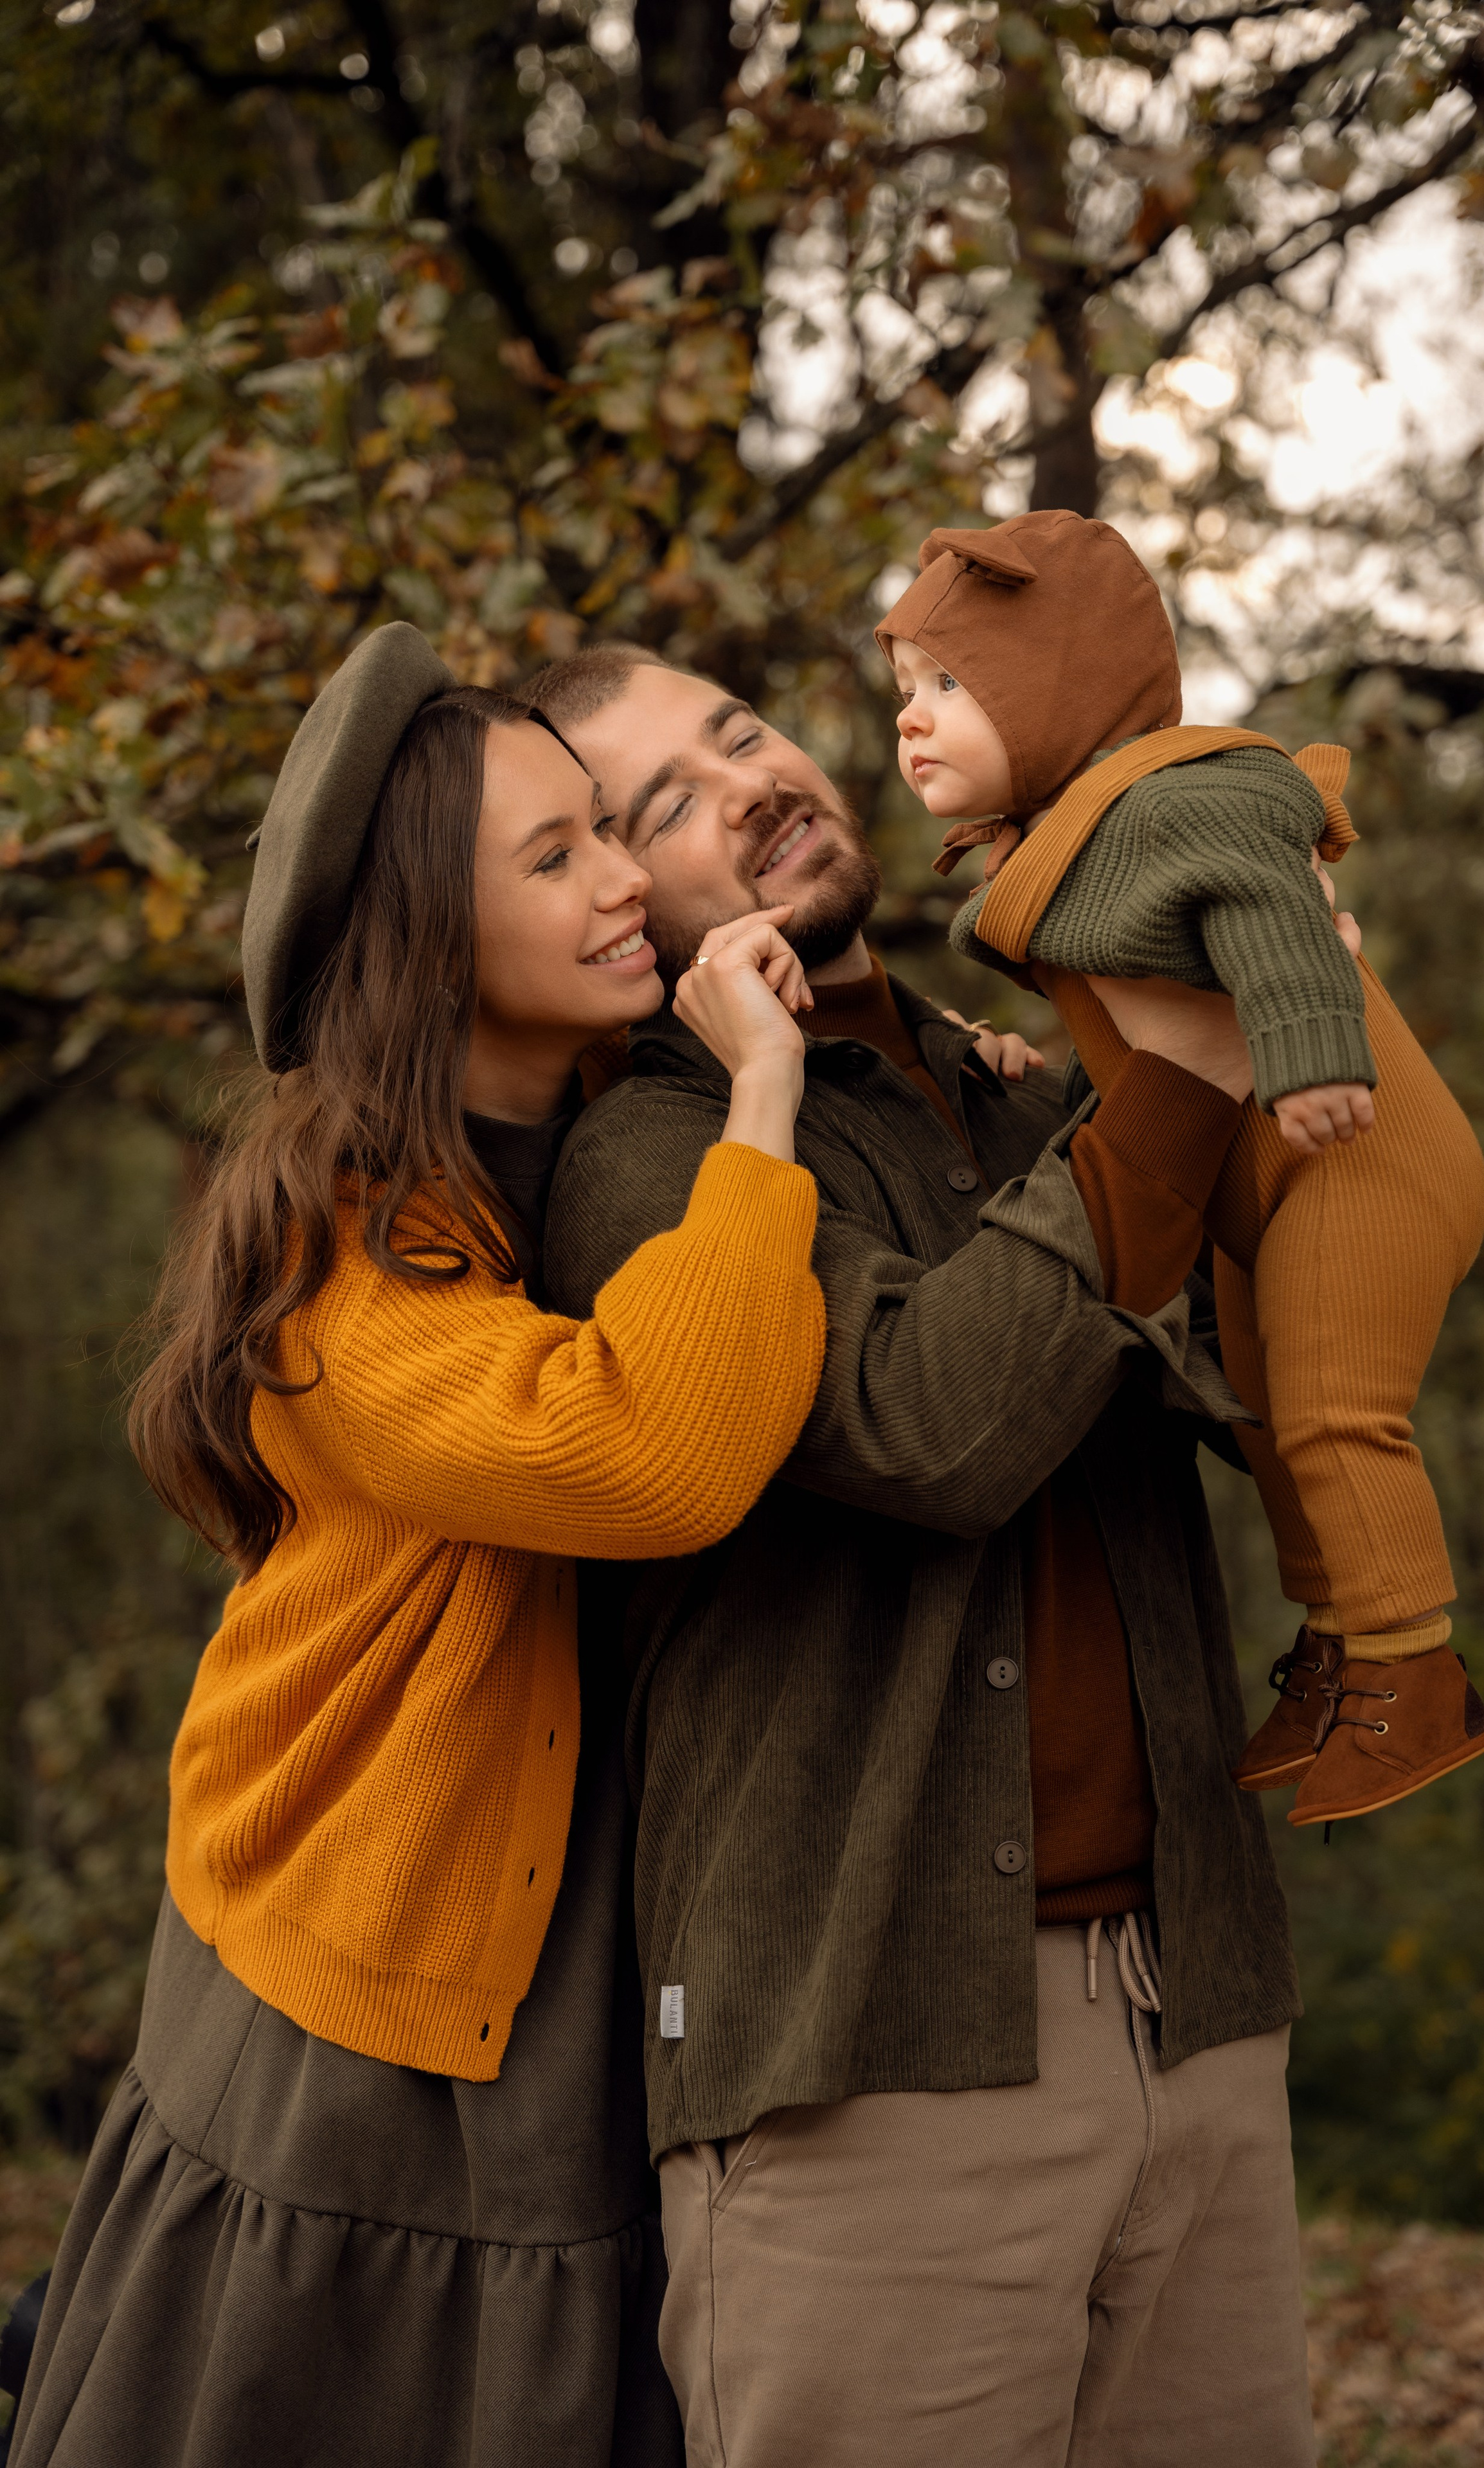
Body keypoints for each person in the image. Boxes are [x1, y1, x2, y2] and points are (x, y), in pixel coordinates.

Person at [12, 625, 827, 2468]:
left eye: (607, 828)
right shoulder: (341, 1260)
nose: (628, 878)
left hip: (576, 1943)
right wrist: (770, 1099)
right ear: (422, 947)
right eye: (555, 860)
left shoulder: (608, 1131)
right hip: (360, 1996)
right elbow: (649, 1453)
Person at [526, 639, 1323, 2467]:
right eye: (665, 803)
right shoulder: (648, 1159)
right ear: (631, 901)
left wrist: (1260, 1018)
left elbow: (1290, 1385)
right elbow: (929, 1425)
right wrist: (1177, 1090)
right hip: (866, 2051)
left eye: (739, 730)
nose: (749, 783)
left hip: (1193, 2005)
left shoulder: (1035, 1078)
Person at [878, 511, 1484, 1830]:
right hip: (1269, 1177)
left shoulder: (1174, 796)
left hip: (1356, 1153)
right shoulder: (1066, 843)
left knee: (1335, 1412)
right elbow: (1151, 1036)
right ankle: (1335, 1640)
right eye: (902, 694)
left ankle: (1412, 1669)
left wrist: (1316, 1050)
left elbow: (1271, 906)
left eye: (946, 684)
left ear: (1059, 685)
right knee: (1264, 1411)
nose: (910, 721)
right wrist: (1042, 1079)